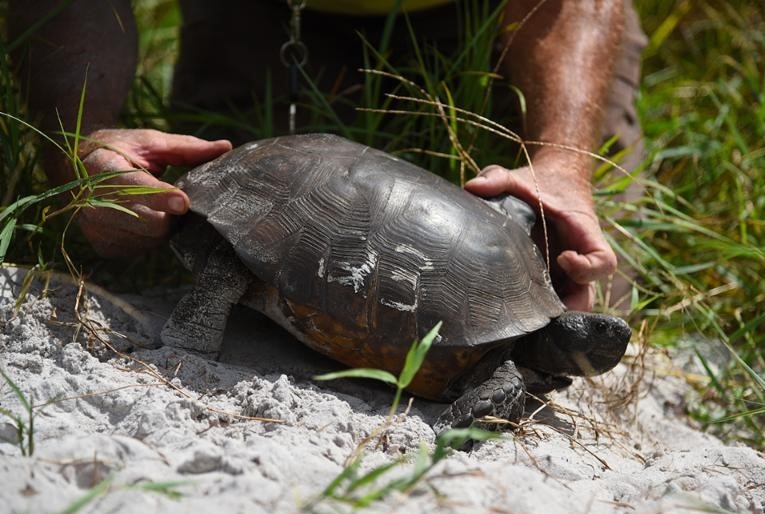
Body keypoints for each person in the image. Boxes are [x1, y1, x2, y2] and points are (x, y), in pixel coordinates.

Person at [8, 0, 646, 311]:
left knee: (579, 286)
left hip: (519, 14)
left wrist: (563, 161)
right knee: (211, 241)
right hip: (274, 16)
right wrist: (82, 139)